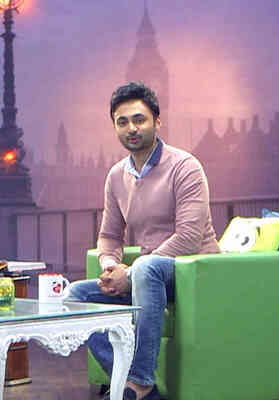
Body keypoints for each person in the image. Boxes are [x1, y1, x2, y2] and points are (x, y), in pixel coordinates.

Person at [66, 82, 220, 400]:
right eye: (122, 122)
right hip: (148, 276)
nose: (132, 128)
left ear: (157, 122)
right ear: (115, 127)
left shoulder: (185, 167)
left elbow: (189, 237)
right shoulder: (116, 176)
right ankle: (132, 387)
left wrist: (133, 271)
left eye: (139, 119)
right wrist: (111, 266)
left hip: (195, 271)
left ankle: (141, 380)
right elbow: (109, 236)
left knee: (147, 267)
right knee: (74, 296)